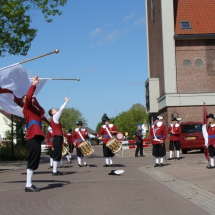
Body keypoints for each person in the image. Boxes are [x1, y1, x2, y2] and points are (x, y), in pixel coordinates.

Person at [22, 76, 49, 192]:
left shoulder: (35, 110)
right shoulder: (26, 107)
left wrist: (36, 101)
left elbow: (42, 112)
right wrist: (33, 84)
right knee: (33, 159)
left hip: (37, 135)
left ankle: (29, 184)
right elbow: (28, 97)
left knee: (35, 159)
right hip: (32, 135)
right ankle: (28, 185)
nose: (31, 99)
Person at [48, 97, 70, 175]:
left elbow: (50, 129)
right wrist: (66, 102)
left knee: (58, 153)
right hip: (57, 137)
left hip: (57, 136)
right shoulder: (55, 117)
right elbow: (61, 110)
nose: (55, 110)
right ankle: (54, 171)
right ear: (52, 113)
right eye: (53, 110)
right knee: (57, 153)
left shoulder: (53, 119)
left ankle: (55, 170)